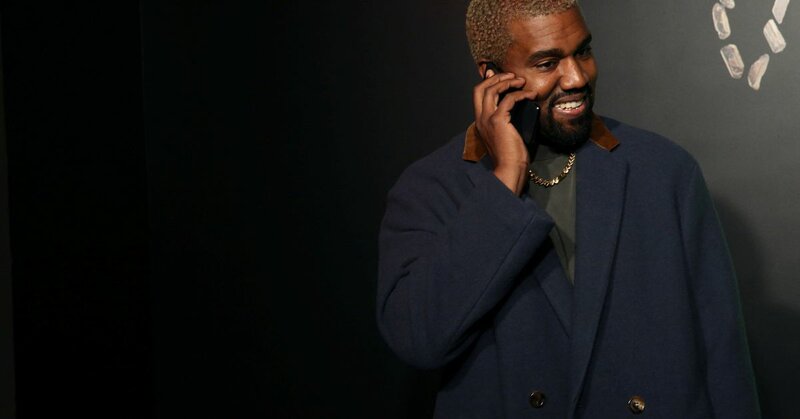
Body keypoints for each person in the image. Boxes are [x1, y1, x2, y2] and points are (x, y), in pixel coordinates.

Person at [375, 0, 762, 418]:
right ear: (492, 76)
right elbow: (419, 340)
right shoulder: (431, 188)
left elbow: (722, 355)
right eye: (547, 63)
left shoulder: (663, 170)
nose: (577, 77)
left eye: (583, 52)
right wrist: (504, 180)